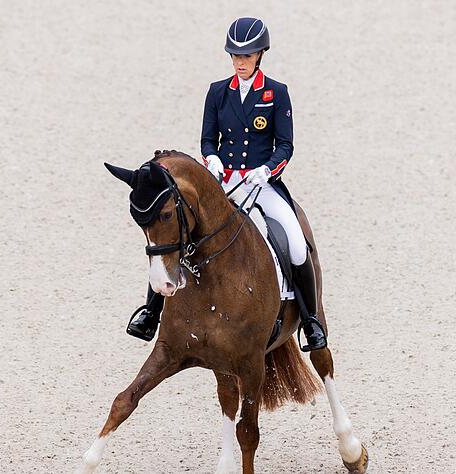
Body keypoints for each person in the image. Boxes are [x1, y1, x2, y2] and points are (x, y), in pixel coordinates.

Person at [126, 17, 327, 351]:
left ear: (260, 54)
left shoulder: (276, 93)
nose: (240, 62)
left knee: (294, 240)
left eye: (246, 56)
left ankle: (310, 321)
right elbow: (208, 139)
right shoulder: (218, 92)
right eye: (235, 56)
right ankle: (152, 310)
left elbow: (285, 145)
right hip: (225, 183)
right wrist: (213, 160)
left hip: (262, 184)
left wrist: (266, 170)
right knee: (177, 229)